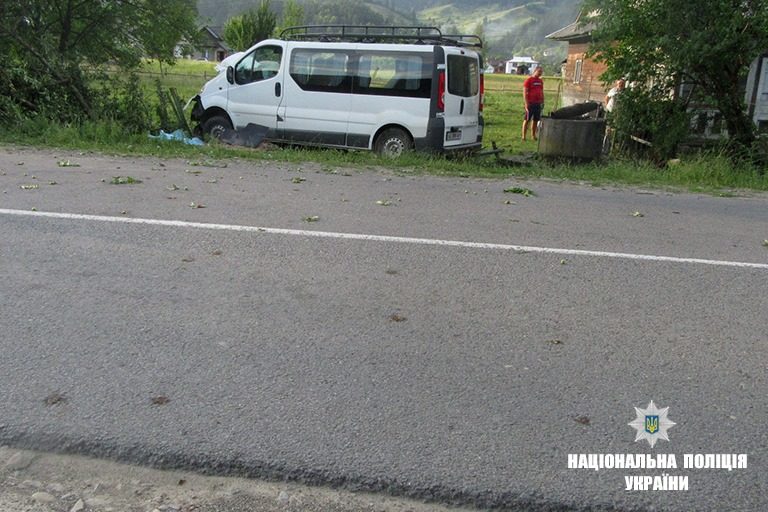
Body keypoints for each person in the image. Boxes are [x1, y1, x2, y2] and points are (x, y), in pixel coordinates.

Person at [522, 66, 544, 141]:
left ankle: (533, 135)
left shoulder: (540, 81)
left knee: (535, 120)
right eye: (539, 72)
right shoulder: (529, 80)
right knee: (527, 120)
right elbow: (525, 92)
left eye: (541, 72)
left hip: (538, 103)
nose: (540, 74)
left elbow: (541, 91)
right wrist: (526, 103)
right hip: (530, 103)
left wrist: (542, 101)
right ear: (535, 71)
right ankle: (523, 136)